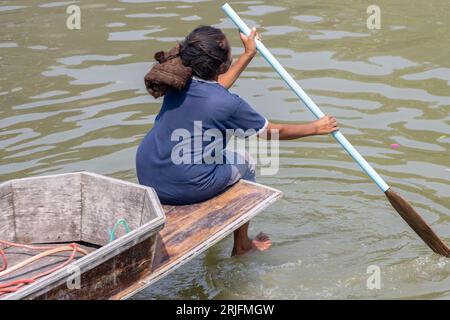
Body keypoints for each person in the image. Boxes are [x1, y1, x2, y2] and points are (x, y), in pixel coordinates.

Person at [136, 25, 338, 255]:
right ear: (222, 65)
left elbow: (215, 88)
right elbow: (271, 133)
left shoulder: (178, 81)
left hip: (149, 174)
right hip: (186, 184)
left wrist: (248, 54)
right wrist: (315, 127)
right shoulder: (229, 103)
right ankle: (241, 245)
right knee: (246, 161)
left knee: (214, 153)